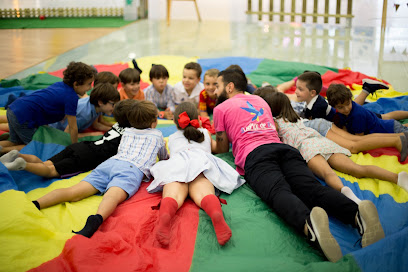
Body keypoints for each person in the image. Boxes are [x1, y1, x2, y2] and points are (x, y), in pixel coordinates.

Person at [212, 69, 385, 262]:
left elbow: (221, 147)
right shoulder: (260, 101)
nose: (214, 91)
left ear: (229, 86)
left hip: (256, 155)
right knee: (312, 189)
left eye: (217, 86)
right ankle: (356, 213)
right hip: (284, 149)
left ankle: (308, 224)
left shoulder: (221, 109)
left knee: (278, 192)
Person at [30, 100, 168, 238]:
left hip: (110, 163)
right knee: (111, 196)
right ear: (153, 122)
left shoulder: (127, 132)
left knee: (74, 191)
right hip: (131, 168)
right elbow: (163, 157)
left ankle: (37, 203)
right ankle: (97, 218)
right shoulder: (157, 135)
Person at [260, 91, 408, 202]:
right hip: (321, 141)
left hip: (307, 148)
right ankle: (397, 177)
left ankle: (354, 199)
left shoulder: (275, 123)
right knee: (357, 169)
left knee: (328, 174)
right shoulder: (295, 117)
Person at [147, 102, 244, 246]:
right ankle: (215, 213)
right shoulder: (204, 133)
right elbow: (218, 149)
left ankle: (166, 216)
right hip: (200, 164)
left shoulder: (173, 138)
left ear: (174, 122)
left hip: (178, 164)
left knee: (173, 195)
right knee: (204, 194)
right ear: (197, 118)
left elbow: (169, 155)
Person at [255, 86, 408, 162]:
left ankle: (397, 139)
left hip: (316, 125)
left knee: (354, 145)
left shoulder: (273, 117)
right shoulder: (285, 107)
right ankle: (400, 136)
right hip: (317, 124)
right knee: (357, 140)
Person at [1, 99, 137, 178]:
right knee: (51, 171)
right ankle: (23, 164)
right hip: (88, 157)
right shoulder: (132, 134)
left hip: (81, 146)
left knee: (45, 164)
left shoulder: (118, 124)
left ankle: (18, 155)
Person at [0, 61, 95, 154]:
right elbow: (72, 127)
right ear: (76, 84)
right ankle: (3, 150)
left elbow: (45, 106)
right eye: (88, 84)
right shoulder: (71, 97)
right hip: (23, 116)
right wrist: (74, 147)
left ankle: (2, 147)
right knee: (36, 145)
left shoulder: (59, 84)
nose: (90, 88)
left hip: (14, 108)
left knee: (15, 142)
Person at [295, 71, 408, 122]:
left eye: (300, 89)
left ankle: (366, 89)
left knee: (384, 117)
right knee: (353, 107)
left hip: (348, 117)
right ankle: (366, 89)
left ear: (312, 93)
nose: (296, 92)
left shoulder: (317, 106)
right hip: (345, 114)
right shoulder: (312, 102)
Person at [326, 84, 408, 135]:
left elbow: (359, 138)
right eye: (341, 107)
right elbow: (344, 127)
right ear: (334, 107)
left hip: (392, 129)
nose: (346, 109)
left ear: (351, 99)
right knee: (388, 120)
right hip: (388, 127)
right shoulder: (342, 112)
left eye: (348, 104)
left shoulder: (357, 115)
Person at [49, 83, 120, 134]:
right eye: (112, 104)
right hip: (56, 129)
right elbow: (67, 134)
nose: (114, 108)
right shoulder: (84, 115)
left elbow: (96, 125)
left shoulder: (97, 107)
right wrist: (89, 135)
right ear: (101, 102)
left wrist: (113, 128)